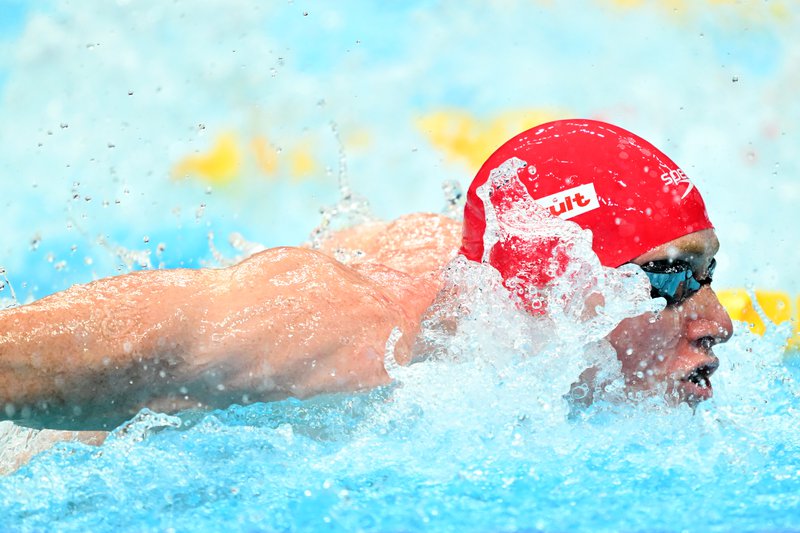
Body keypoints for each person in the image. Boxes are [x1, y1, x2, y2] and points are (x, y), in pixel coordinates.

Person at [0, 118, 732, 433]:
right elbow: (154, 336)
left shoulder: (494, 320)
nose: (720, 319)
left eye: (707, 271)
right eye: (668, 277)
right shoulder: (352, 333)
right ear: (553, 285)